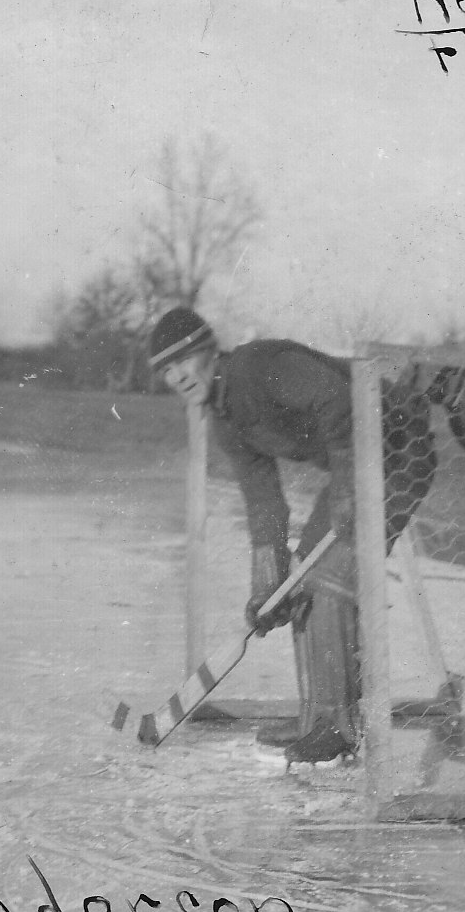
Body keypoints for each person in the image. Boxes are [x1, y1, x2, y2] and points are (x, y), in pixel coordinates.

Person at [148, 308, 436, 764]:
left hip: (399, 453)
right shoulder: (223, 418)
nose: (177, 376)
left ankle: (337, 731)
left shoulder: (258, 368)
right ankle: (318, 719)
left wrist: (345, 487)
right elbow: (263, 501)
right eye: (166, 370)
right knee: (301, 582)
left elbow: (341, 401)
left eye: (183, 359)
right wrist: (267, 582)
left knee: (331, 578)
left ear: (207, 350)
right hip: (356, 469)